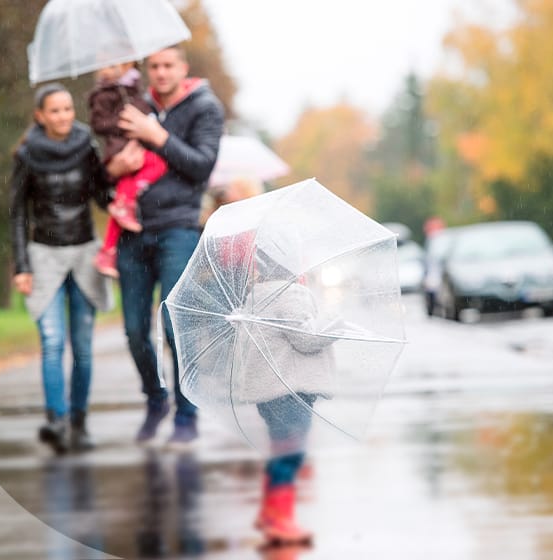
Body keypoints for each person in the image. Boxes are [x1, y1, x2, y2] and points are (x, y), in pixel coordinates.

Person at [107, 44, 224, 446]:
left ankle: (186, 415)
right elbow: (105, 171)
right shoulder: (130, 104)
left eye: (168, 65)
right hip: (131, 231)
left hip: (178, 227)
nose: (160, 72)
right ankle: (155, 399)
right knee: (134, 329)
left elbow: (201, 166)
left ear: (183, 69)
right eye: (153, 65)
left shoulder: (204, 107)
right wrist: (113, 170)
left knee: (175, 326)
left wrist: (158, 136)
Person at [10, 83, 113, 454]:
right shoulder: (27, 153)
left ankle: (80, 422)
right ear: (40, 116)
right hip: (44, 256)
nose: (64, 117)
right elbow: (18, 213)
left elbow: (103, 195)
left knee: (83, 347)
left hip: (84, 253)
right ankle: (57, 420)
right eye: (55, 111)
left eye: (68, 109)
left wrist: (120, 182)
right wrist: (21, 266)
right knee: (52, 342)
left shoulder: (87, 145)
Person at [233, 249, 337, 546]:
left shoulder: (255, 295)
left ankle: (269, 512)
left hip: (268, 392)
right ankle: (280, 519)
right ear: (294, 267)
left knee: (280, 447)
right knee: (291, 452)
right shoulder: (292, 295)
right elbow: (306, 340)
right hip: (291, 388)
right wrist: (334, 327)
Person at [87, 61, 168, 278]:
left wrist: (145, 118)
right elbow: (99, 124)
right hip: (119, 147)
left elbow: (141, 107)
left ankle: (127, 201)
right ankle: (108, 249)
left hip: (135, 144)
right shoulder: (103, 93)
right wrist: (126, 122)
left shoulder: (134, 85)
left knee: (157, 164)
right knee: (149, 169)